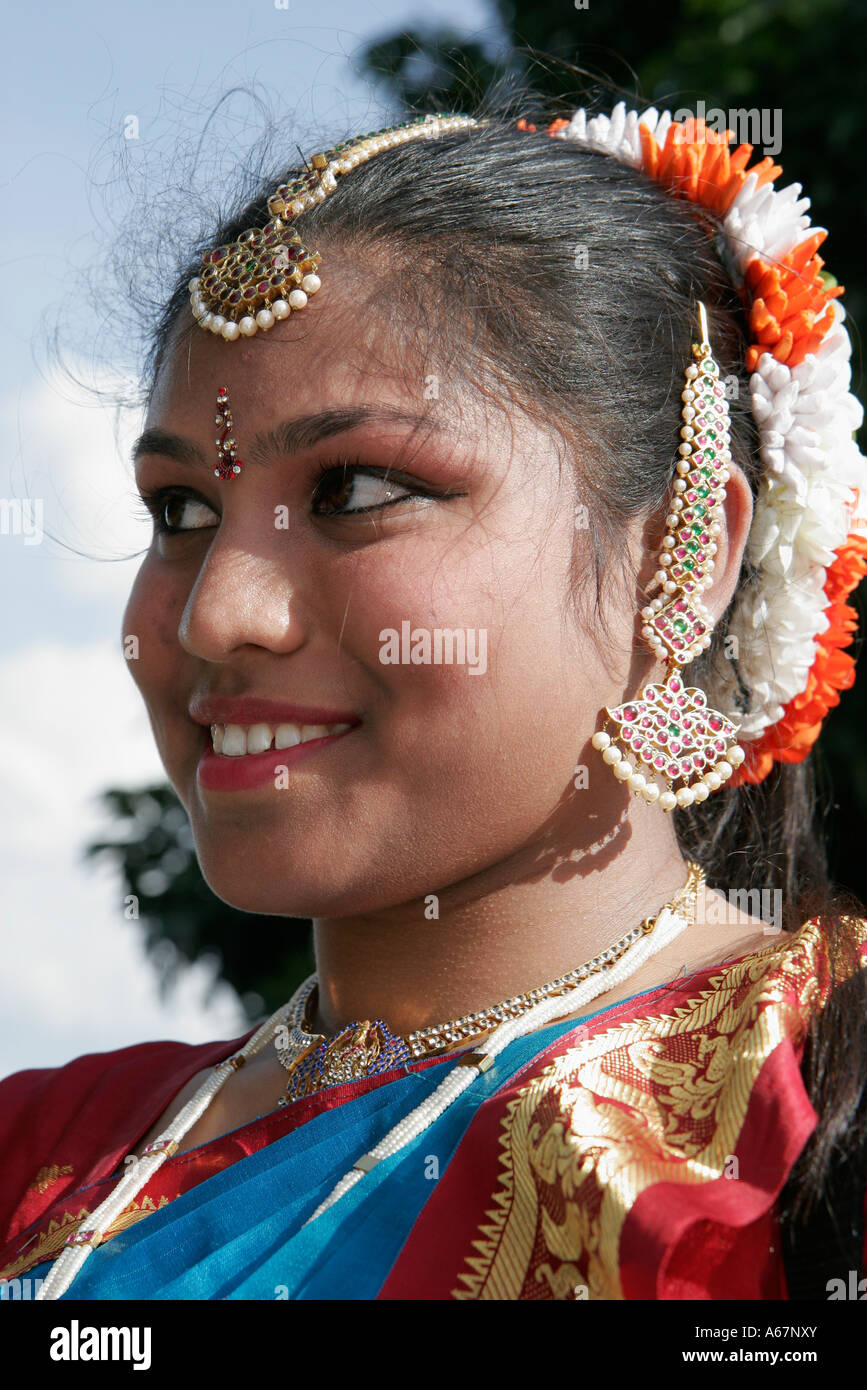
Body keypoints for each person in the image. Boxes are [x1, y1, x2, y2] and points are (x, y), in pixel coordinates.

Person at [2, 99, 866, 1302]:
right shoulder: (42, 1154)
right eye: (181, 511)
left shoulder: (819, 1108)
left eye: (356, 487)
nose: (215, 615)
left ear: (681, 550)